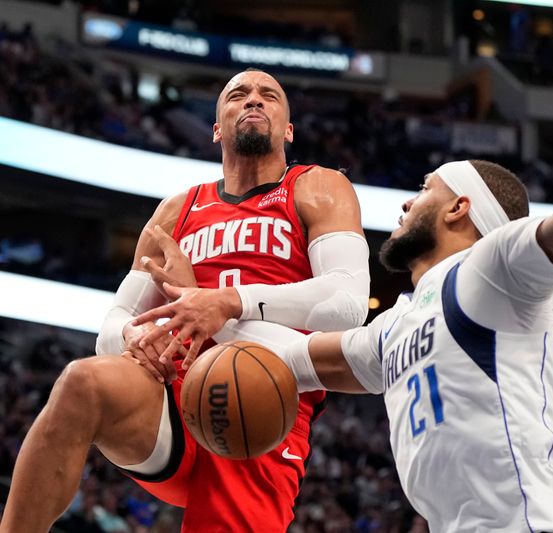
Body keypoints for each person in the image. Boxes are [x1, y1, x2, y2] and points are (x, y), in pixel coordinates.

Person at [135, 15, 553, 532]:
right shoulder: (394, 329)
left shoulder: (497, 269)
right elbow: (291, 355)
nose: (405, 204)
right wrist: (204, 306)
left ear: (460, 204)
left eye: (421, 190)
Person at [0, 69, 371, 532]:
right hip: (172, 390)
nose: (254, 100)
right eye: (238, 95)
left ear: (288, 129)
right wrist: (137, 336)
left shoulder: (317, 186)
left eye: (269, 96)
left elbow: (348, 300)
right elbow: (113, 324)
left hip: (261, 400)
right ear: (217, 127)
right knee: (82, 383)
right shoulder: (178, 209)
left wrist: (227, 302)